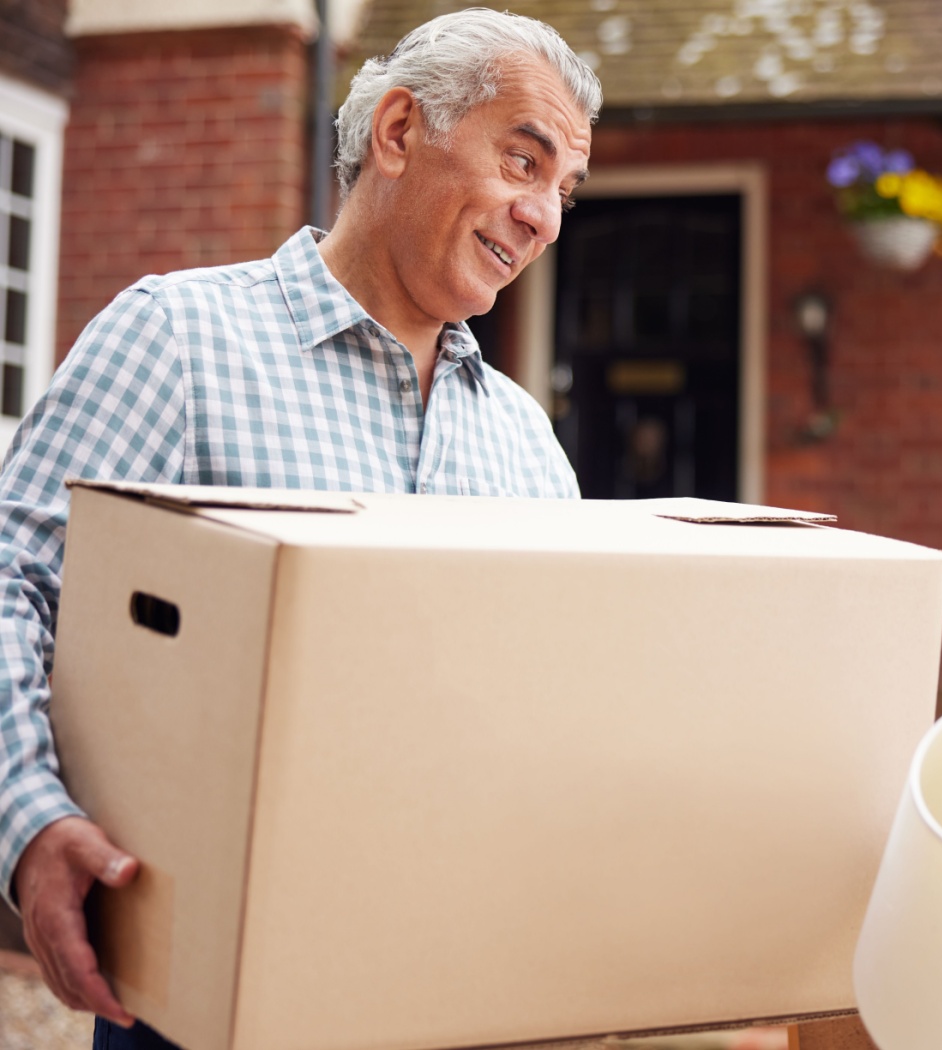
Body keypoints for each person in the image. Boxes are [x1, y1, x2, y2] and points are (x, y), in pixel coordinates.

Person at [0, 10, 599, 1047]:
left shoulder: (530, 450)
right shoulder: (177, 339)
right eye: (522, 159)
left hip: (460, 989)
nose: (543, 214)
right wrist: (32, 822)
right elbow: (13, 585)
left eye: (561, 190)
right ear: (400, 132)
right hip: (206, 994)